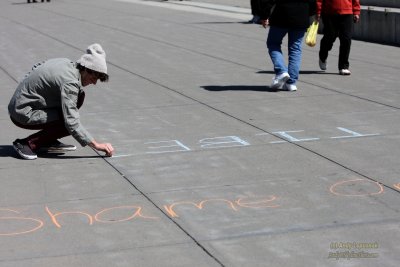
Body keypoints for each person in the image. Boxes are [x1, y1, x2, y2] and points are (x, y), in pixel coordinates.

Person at [8, 43, 114, 160]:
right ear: (86, 69)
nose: (94, 83)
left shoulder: (65, 62)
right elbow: (71, 123)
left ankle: (47, 139)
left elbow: (36, 66)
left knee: (77, 98)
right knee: (68, 121)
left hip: (19, 105)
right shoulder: (70, 83)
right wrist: (97, 145)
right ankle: (27, 143)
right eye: (94, 78)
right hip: (22, 113)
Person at [259, 0, 316, 91]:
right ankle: (291, 83)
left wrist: (264, 16)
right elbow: (313, 4)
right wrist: (309, 13)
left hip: (282, 16)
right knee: (295, 49)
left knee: (273, 43)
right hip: (301, 16)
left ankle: (281, 70)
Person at [317, 0, 360, 75]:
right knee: (330, 36)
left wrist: (356, 11)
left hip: (347, 12)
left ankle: (343, 66)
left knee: (346, 39)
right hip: (329, 12)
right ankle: (322, 56)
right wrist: (318, 11)